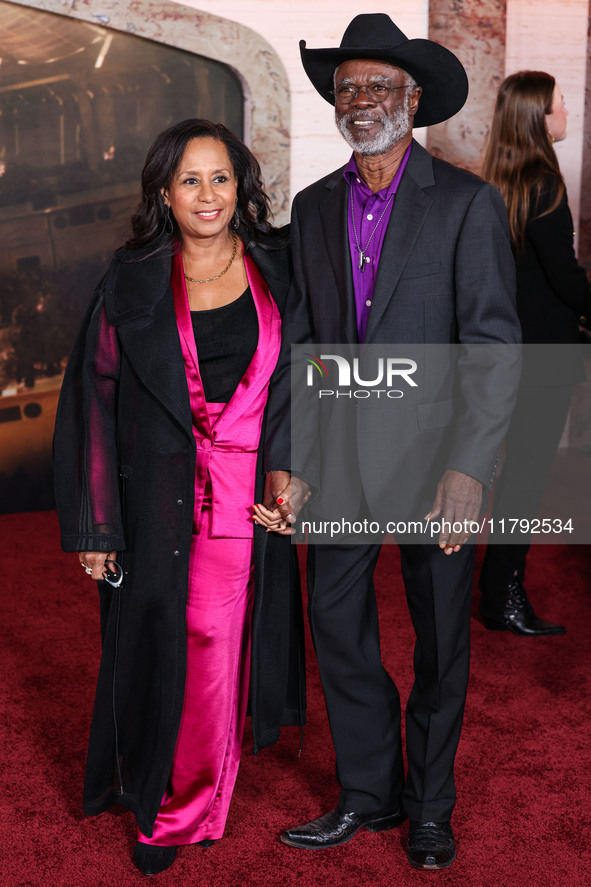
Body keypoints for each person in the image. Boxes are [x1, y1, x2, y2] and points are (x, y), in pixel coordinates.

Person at [263, 14, 521, 871]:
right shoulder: (312, 208)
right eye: (348, 87)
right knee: (336, 624)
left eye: (379, 86)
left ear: (413, 100)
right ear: (333, 103)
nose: (362, 99)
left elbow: (491, 346)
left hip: (434, 462)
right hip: (337, 460)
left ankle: (429, 806)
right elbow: (303, 343)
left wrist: (467, 468)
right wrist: (289, 457)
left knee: (442, 636)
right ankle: (368, 793)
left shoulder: (465, 202)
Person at [52, 119, 306, 876]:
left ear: (242, 187)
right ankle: (155, 782)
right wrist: (95, 521)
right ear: (164, 191)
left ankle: (180, 809)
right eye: (189, 179)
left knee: (209, 642)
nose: (207, 194)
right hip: (153, 497)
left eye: (220, 178)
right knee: (153, 646)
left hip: (244, 503)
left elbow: (301, 380)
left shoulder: (280, 268)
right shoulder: (131, 278)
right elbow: (93, 397)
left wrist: (294, 469)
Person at [478, 72, 591, 636]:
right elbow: (565, 280)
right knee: (524, 478)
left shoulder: (497, 180)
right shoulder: (545, 182)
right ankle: (503, 598)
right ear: (538, 119)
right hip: (542, 356)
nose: (569, 113)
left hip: (505, 351)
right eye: (562, 106)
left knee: (506, 474)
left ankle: (494, 592)